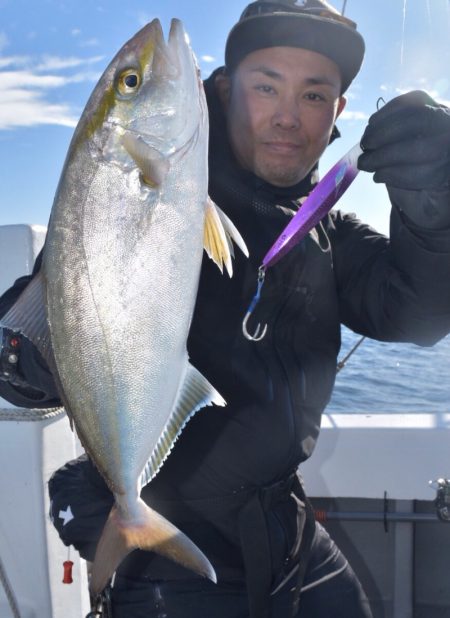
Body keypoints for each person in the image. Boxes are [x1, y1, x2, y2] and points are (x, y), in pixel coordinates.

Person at [1, 0, 450, 616]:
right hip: (170, 561)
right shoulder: (137, 197)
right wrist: (29, 357)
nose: (289, 115)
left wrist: (434, 207)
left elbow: (419, 313)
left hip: (288, 532)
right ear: (222, 89)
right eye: (267, 86)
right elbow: (34, 337)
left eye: (315, 96)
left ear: (339, 113)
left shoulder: (326, 232)